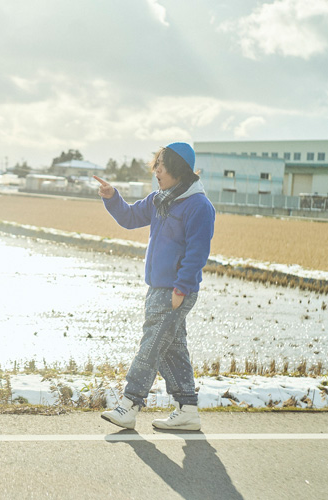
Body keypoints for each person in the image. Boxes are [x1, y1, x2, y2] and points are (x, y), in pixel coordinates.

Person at [94, 142, 215, 431]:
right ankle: (187, 409)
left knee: (150, 347)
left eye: (162, 165)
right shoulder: (160, 199)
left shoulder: (199, 206)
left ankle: (129, 404)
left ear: (178, 169)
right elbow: (130, 217)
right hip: (158, 288)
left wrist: (181, 289)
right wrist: (112, 197)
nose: (156, 170)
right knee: (171, 349)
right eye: (156, 164)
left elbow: (197, 253)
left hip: (175, 290)